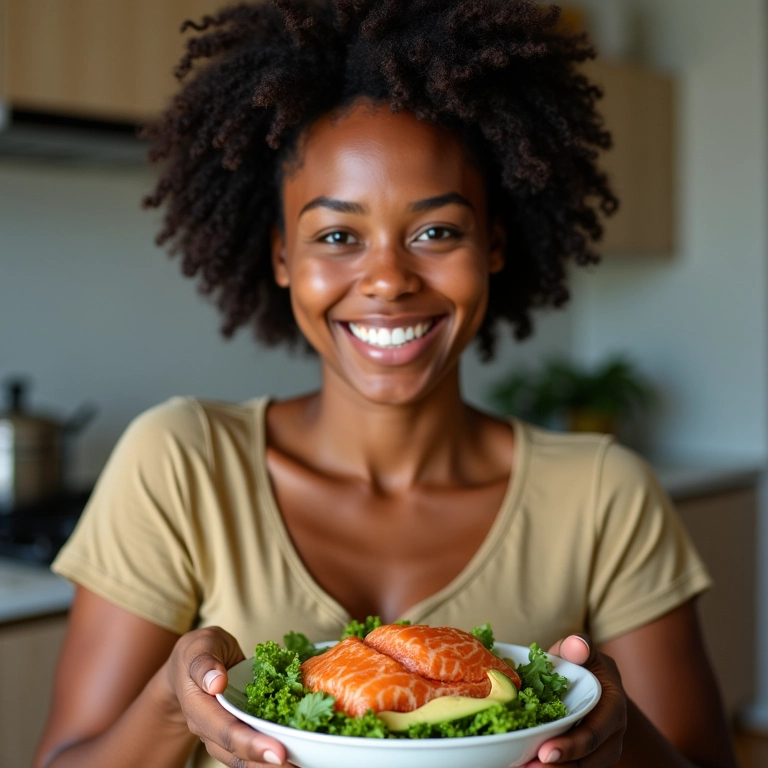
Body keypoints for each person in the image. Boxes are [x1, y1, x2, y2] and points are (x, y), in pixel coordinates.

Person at [35, 2, 737, 767]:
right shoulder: (180, 462)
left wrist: (617, 732)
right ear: (280, 257)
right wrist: (173, 703)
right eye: (337, 236)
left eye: (436, 232)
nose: (388, 280)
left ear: (493, 243)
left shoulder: (607, 495)